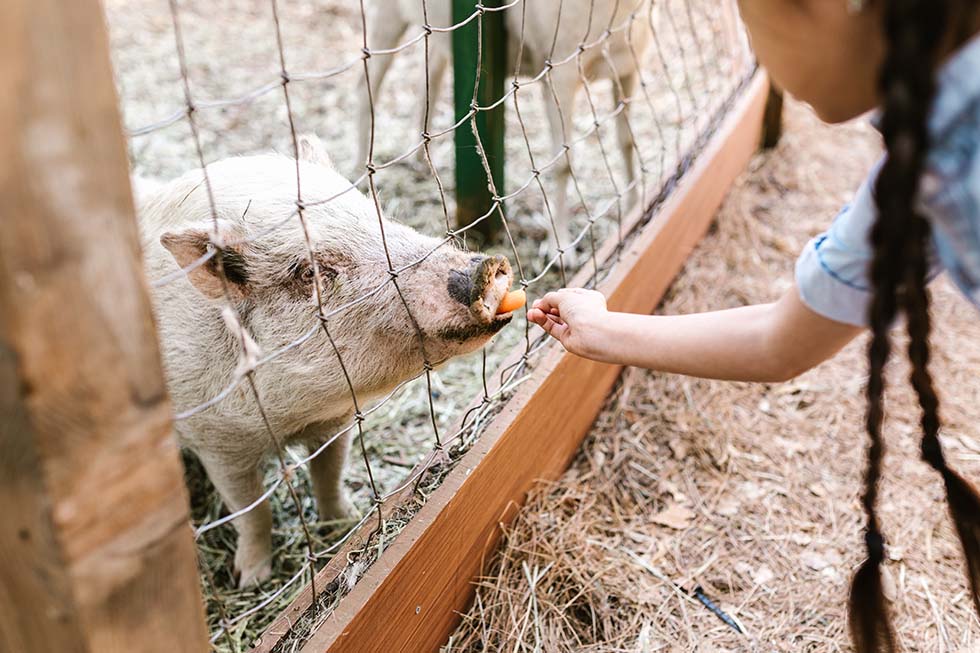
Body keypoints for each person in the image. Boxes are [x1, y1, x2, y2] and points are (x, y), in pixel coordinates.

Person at [527, 1, 980, 650]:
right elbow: (780, 339)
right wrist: (600, 330)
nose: (752, 53)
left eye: (748, 14)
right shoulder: (920, 156)